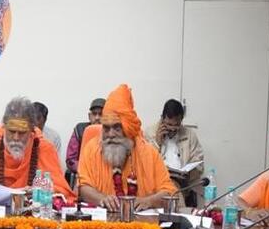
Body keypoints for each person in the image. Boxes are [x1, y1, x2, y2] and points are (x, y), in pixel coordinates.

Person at [77, 84, 177, 212]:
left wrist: (148, 201)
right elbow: (83, 187)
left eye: (117, 128)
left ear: (128, 129)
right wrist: (101, 198)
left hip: (142, 224)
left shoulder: (149, 153)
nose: (111, 134)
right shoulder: (91, 149)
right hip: (102, 222)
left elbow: (169, 192)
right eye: (106, 128)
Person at [0, 97, 71, 204]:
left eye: (21, 133)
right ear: (4, 128)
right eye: (11, 131)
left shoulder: (44, 148)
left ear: (31, 131)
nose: (16, 138)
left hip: (33, 214)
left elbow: (62, 190)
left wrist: (41, 192)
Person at [148, 99, 205, 207]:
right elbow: (145, 163)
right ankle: (179, 216)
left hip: (184, 182)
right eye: (169, 124)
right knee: (171, 185)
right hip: (158, 181)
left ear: (181, 120)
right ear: (162, 118)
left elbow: (199, 163)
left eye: (177, 125)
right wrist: (157, 143)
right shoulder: (150, 133)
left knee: (174, 186)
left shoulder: (190, 135)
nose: (173, 129)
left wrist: (188, 174)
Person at [64, 97, 104, 185]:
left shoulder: (112, 133)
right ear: (89, 116)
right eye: (94, 114)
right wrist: (86, 169)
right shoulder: (80, 129)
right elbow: (70, 160)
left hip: (105, 175)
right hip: (82, 173)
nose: (97, 117)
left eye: (101, 114)